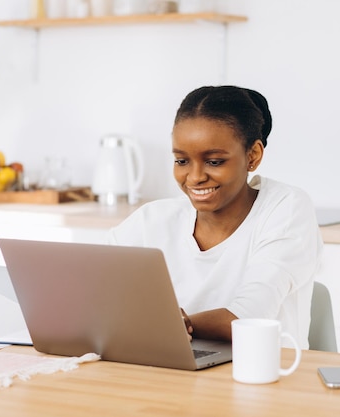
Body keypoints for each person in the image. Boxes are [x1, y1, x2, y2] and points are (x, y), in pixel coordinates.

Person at [108, 86, 322, 348]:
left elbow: (250, 316)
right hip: (173, 373)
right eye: (182, 161)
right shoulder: (153, 219)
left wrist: (171, 326)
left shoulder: (286, 208)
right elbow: (90, 287)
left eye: (214, 161)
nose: (195, 177)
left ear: (252, 156)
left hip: (266, 374)